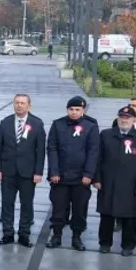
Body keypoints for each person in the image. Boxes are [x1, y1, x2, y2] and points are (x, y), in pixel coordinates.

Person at [94, 106, 136, 256]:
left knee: (130, 217)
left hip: (131, 184)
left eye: (127, 118)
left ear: (133, 120)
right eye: (121, 117)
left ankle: (128, 246)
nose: (124, 120)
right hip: (108, 182)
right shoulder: (106, 135)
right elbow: (98, 158)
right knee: (106, 215)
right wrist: (97, 178)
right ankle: (105, 243)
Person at [46, 96, 98, 251]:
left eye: (77, 109)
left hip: (81, 178)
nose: (74, 112)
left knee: (79, 210)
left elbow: (93, 151)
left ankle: (77, 238)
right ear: (67, 109)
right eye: (71, 109)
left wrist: (88, 174)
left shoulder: (90, 126)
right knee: (58, 209)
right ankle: (56, 236)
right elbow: (52, 149)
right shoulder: (58, 124)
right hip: (60, 177)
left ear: (83, 110)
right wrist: (54, 172)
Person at [0, 94, 45, 248]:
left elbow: (41, 151)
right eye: (16, 103)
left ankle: (24, 234)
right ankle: (7, 233)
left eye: (22, 103)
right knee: (7, 203)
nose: (19, 106)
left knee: (26, 204)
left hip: (27, 173)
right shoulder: (6, 122)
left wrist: (38, 172)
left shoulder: (37, 123)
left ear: (29, 106)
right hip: (8, 171)